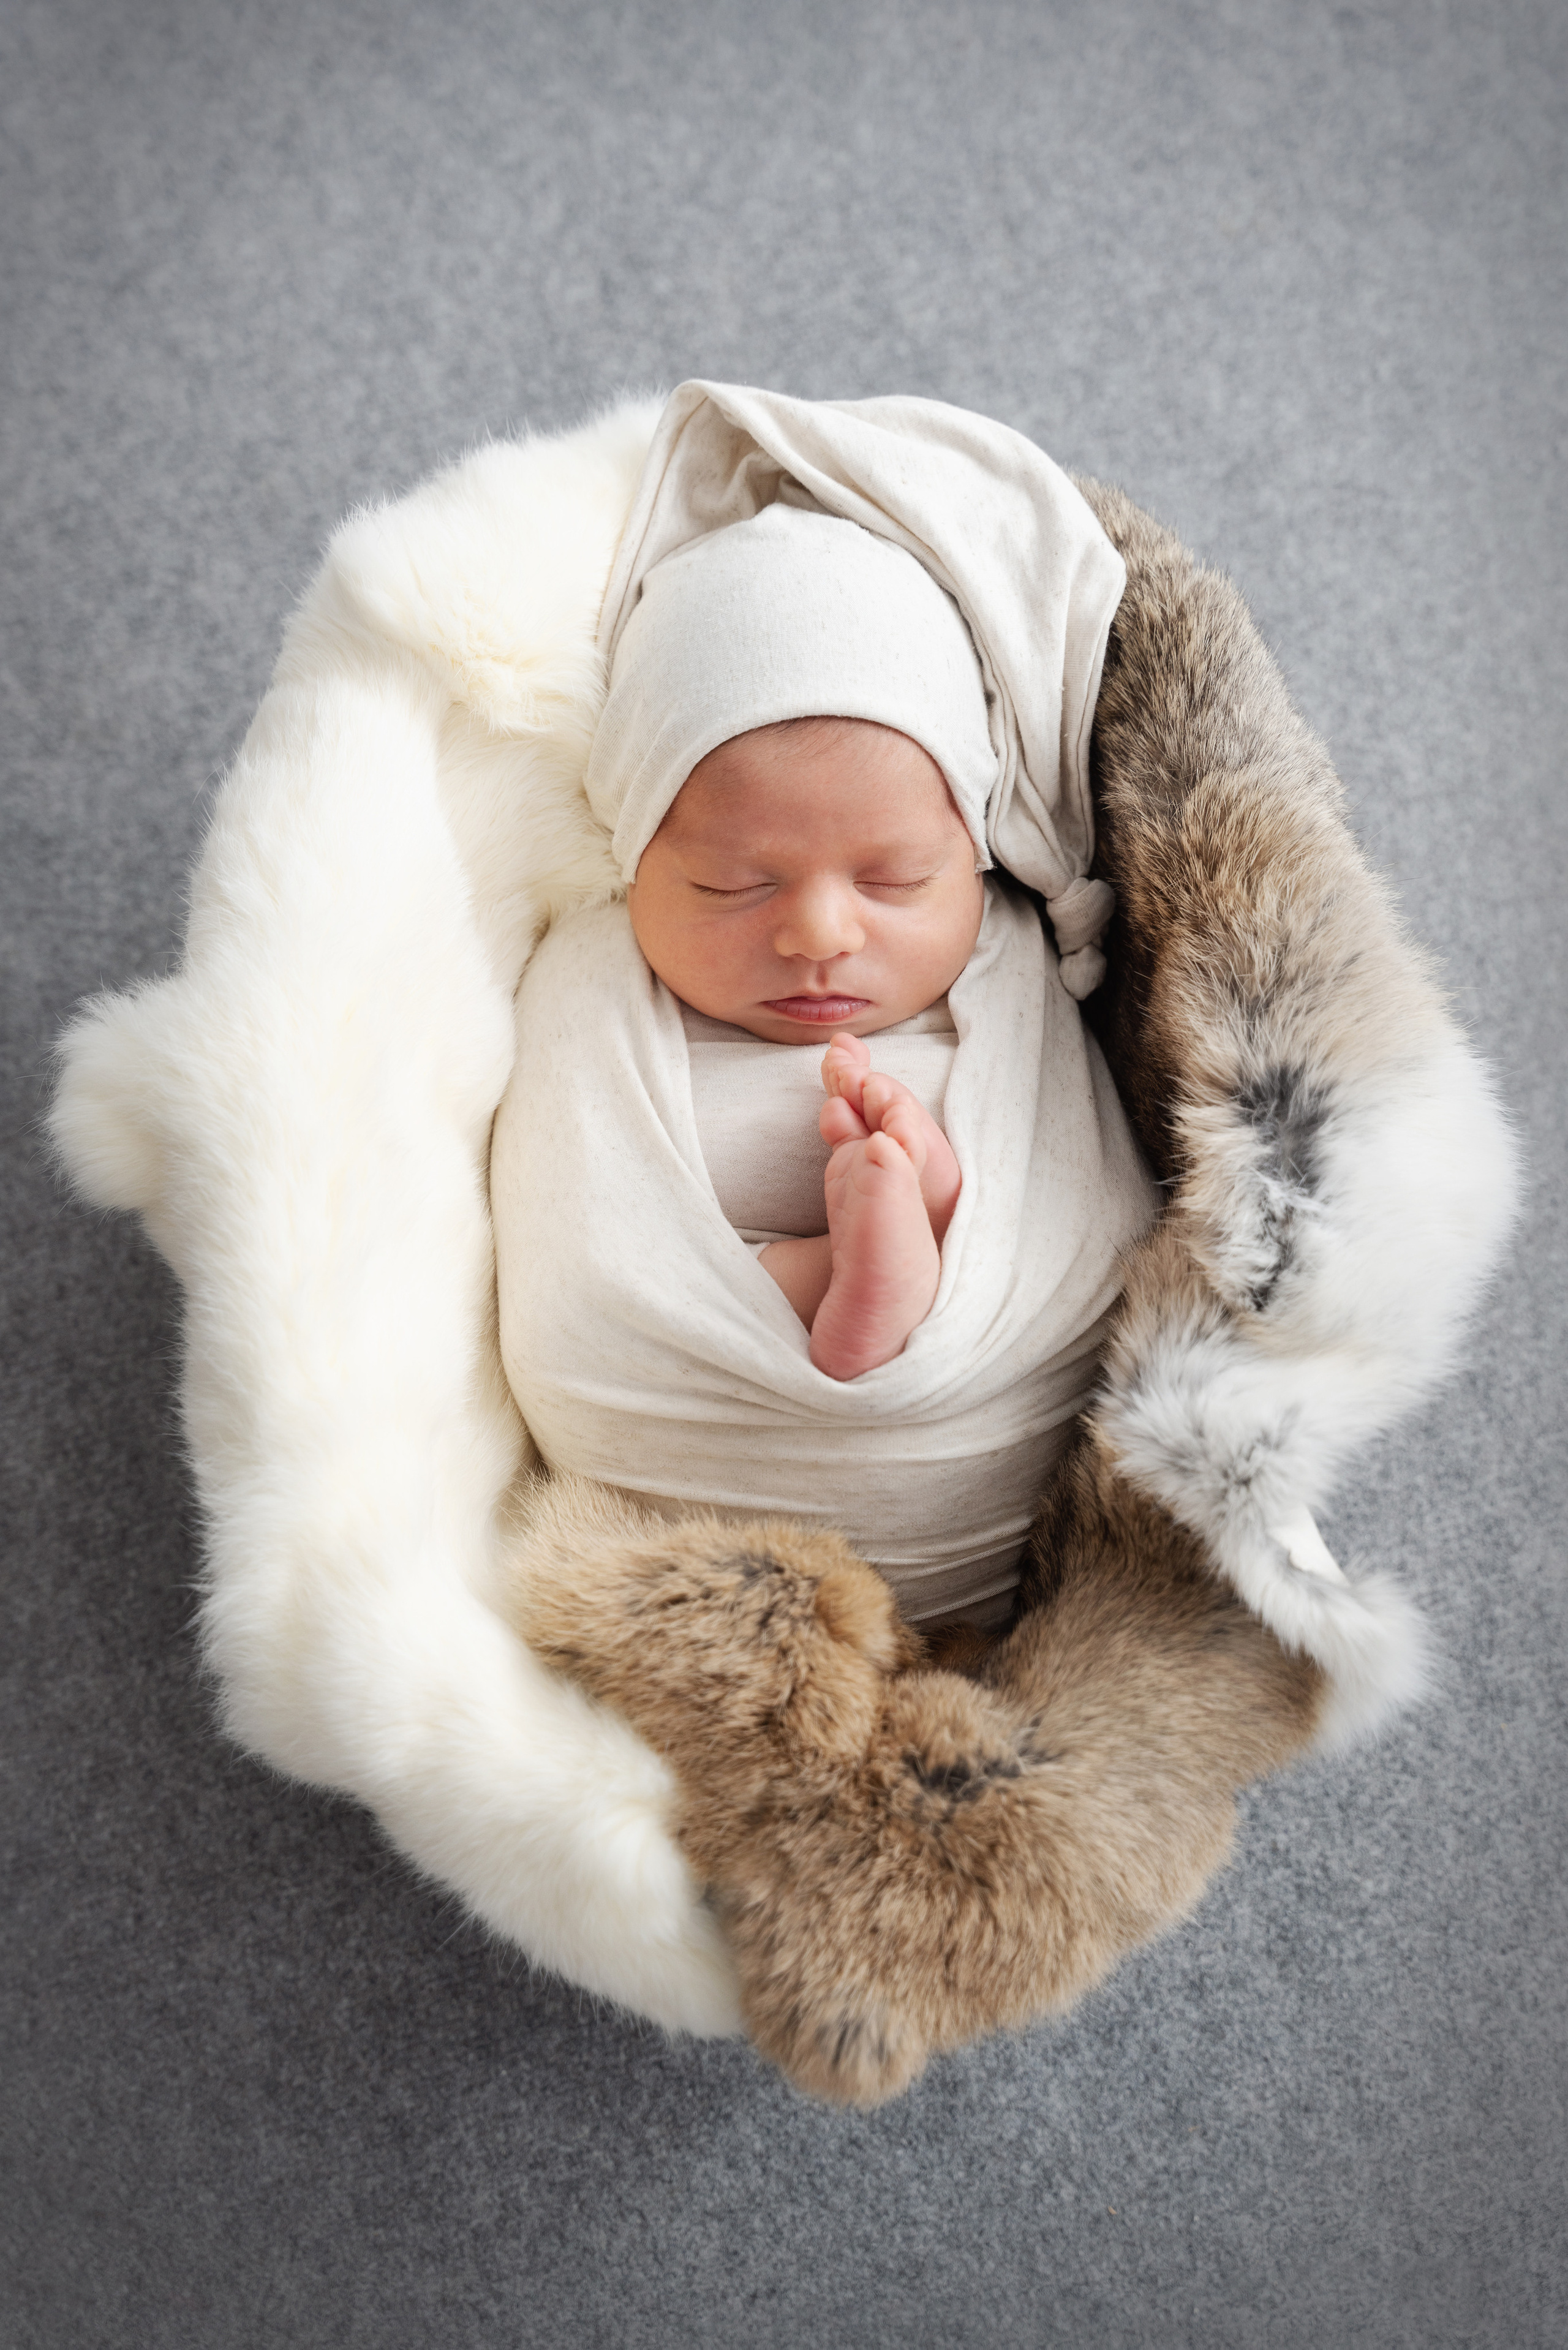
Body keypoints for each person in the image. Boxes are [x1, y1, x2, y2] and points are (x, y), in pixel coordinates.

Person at [489, 386, 1158, 1630]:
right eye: (731, 884)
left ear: (975, 856)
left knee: (987, 1193)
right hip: (691, 1436)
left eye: (895, 879)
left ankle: (917, 1230)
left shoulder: (1007, 970)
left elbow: (1086, 1202)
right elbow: (575, 1259)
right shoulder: (590, 979)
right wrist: (778, 1278)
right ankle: (838, 1279)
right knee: (707, 1264)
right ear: (636, 859)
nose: (816, 933)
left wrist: (962, 1202)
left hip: (990, 1421)